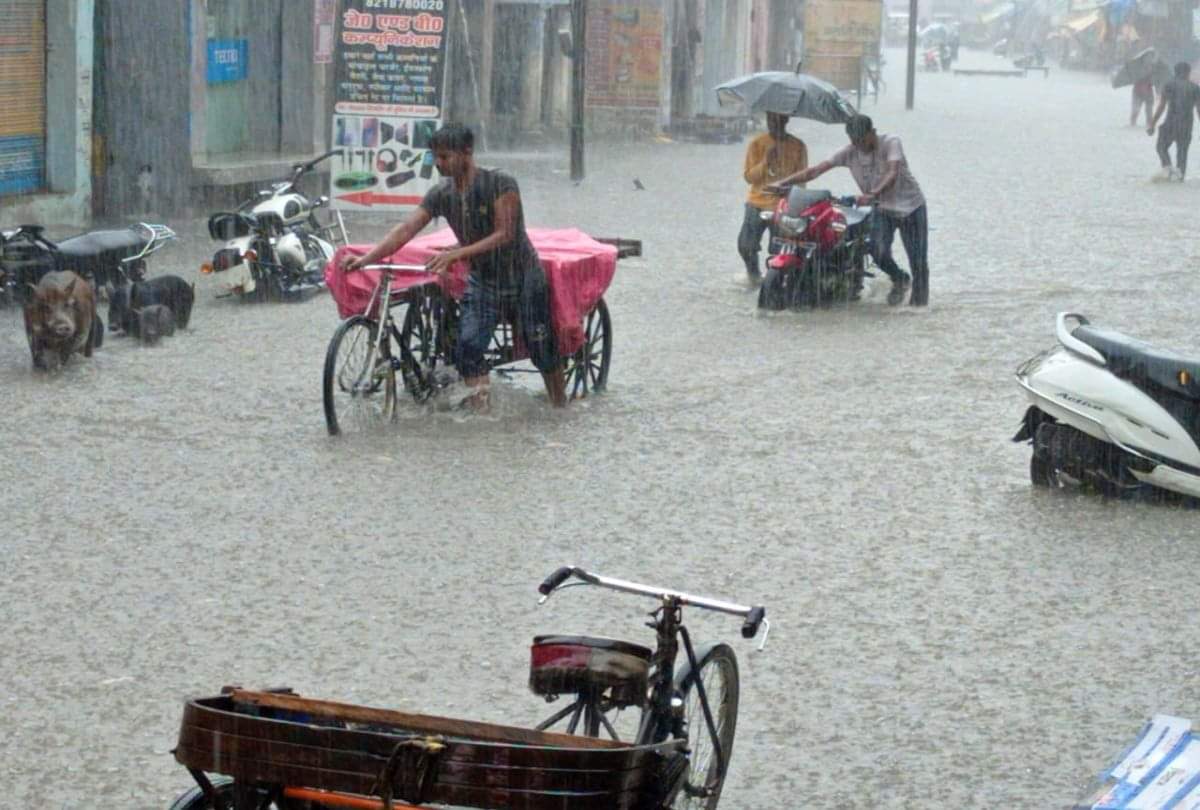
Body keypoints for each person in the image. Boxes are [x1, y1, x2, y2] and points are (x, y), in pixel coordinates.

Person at [343, 124, 565, 410]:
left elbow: (505, 234)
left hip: (523, 276)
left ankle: (560, 408)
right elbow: (406, 229)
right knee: (468, 348)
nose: (438, 163)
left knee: (541, 347)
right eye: (435, 156)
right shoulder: (441, 194)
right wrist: (366, 260)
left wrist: (458, 254)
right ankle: (481, 413)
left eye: (445, 156)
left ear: (467, 152)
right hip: (484, 280)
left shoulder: (501, 184)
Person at [772, 114, 929, 306]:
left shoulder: (891, 143)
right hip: (883, 210)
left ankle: (918, 308)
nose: (859, 145)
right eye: (854, 141)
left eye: (862, 140)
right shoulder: (849, 151)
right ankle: (900, 278)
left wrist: (873, 193)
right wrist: (783, 182)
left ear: (872, 133)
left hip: (912, 207)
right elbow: (815, 170)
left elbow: (892, 172)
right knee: (877, 251)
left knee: (918, 262)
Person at [737, 112, 808, 285]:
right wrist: (765, 163)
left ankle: (775, 283)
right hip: (757, 203)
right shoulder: (757, 144)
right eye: (770, 119)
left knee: (781, 250)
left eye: (778, 119)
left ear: (786, 120)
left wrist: (791, 196)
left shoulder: (798, 146)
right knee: (746, 245)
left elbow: (802, 179)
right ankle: (753, 276)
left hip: (784, 205)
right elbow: (748, 177)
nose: (774, 124)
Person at [1148, 61, 1200, 182]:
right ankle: (1179, 178)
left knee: (1161, 147)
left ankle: (1168, 170)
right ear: (1188, 73)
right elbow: (1199, 110)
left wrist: (1152, 124)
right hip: (1186, 125)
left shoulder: (1169, 85)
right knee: (1182, 154)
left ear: (1175, 73)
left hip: (1170, 123)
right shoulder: (1195, 88)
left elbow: (1161, 106)